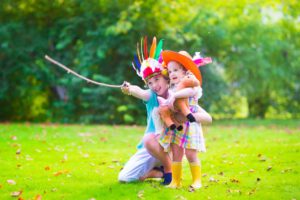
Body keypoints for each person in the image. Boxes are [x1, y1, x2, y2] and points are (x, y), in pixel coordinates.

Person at [118, 37, 173, 185]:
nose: (154, 85)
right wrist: (129, 89)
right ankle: (158, 172)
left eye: (157, 79)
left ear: (166, 78)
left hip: (171, 146)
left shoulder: (176, 95)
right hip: (152, 147)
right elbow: (140, 92)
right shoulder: (151, 96)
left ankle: (168, 168)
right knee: (125, 177)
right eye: (150, 82)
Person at [158, 50, 212, 190]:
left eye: (176, 70)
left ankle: (197, 181)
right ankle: (176, 181)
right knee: (176, 152)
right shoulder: (172, 88)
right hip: (177, 125)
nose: (172, 74)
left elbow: (190, 94)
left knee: (190, 154)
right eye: (170, 72)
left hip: (190, 123)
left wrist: (175, 96)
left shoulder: (190, 84)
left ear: (184, 71)